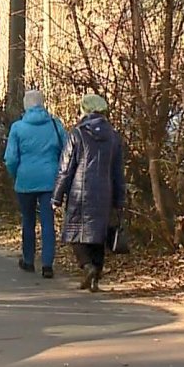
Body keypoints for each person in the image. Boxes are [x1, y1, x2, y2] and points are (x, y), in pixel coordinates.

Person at [54, 94, 126, 292]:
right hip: (105, 192)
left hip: (80, 192)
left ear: (85, 110)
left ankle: (87, 267)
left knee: (75, 234)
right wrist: (120, 198)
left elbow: (65, 168)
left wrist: (57, 197)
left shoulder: (77, 134)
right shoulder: (113, 136)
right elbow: (118, 171)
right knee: (98, 235)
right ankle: (95, 279)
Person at [4, 89, 68, 278]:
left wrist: (16, 174)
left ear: (26, 105)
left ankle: (28, 260)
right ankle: (47, 264)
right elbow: (66, 151)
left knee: (28, 221)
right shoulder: (56, 125)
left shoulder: (17, 128)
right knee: (48, 223)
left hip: (26, 179)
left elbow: (10, 158)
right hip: (50, 180)